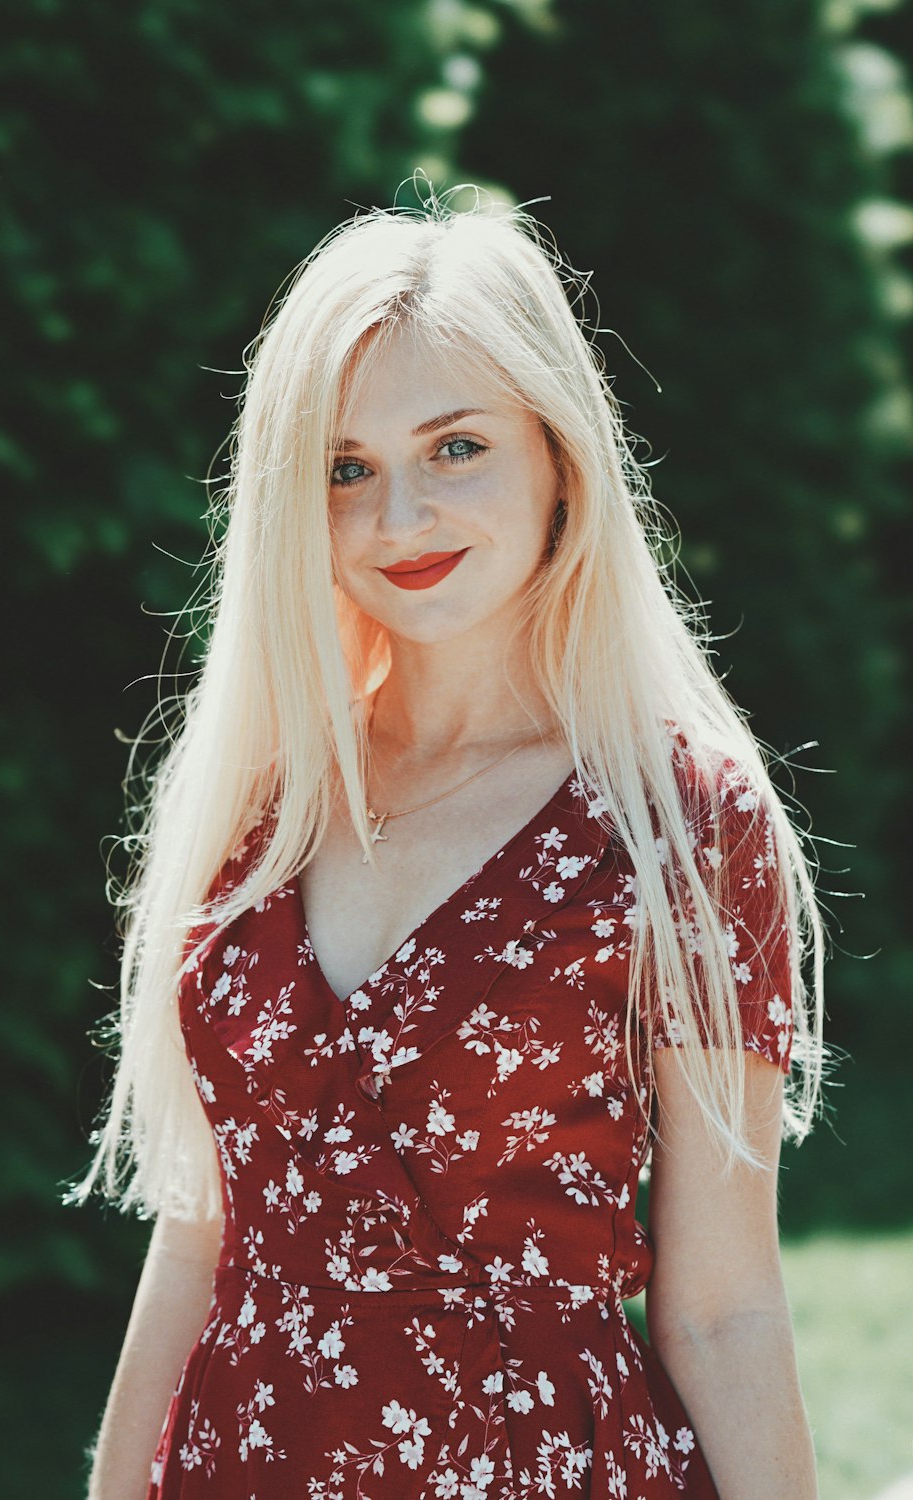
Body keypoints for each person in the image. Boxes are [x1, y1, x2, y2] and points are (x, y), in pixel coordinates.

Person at [69, 186, 827, 1500]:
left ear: (559, 455)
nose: (399, 517)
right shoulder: (262, 799)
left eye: (456, 446)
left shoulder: (678, 823)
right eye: (346, 469)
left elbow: (723, 1307)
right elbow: (200, 1239)